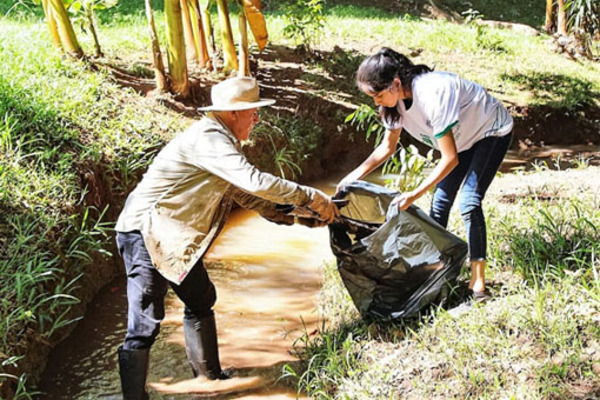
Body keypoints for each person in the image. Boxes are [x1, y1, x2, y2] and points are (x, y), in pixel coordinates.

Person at [115, 76, 340, 399]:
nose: (257, 119)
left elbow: (246, 195)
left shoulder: (221, 141)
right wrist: (309, 196)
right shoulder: (208, 139)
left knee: (201, 299)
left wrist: (296, 218)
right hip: (145, 231)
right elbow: (254, 182)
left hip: (174, 236)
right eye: (253, 112)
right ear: (233, 112)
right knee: (145, 323)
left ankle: (208, 379)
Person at [338, 47, 513, 301]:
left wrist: (413, 193)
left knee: (469, 202)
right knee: (440, 202)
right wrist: (353, 177)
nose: (375, 101)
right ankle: (435, 272)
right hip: (462, 137)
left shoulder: (431, 93)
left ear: (395, 84)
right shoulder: (392, 104)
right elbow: (387, 147)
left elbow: (450, 158)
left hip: (490, 130)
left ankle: (479, 283)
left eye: (377, 95)